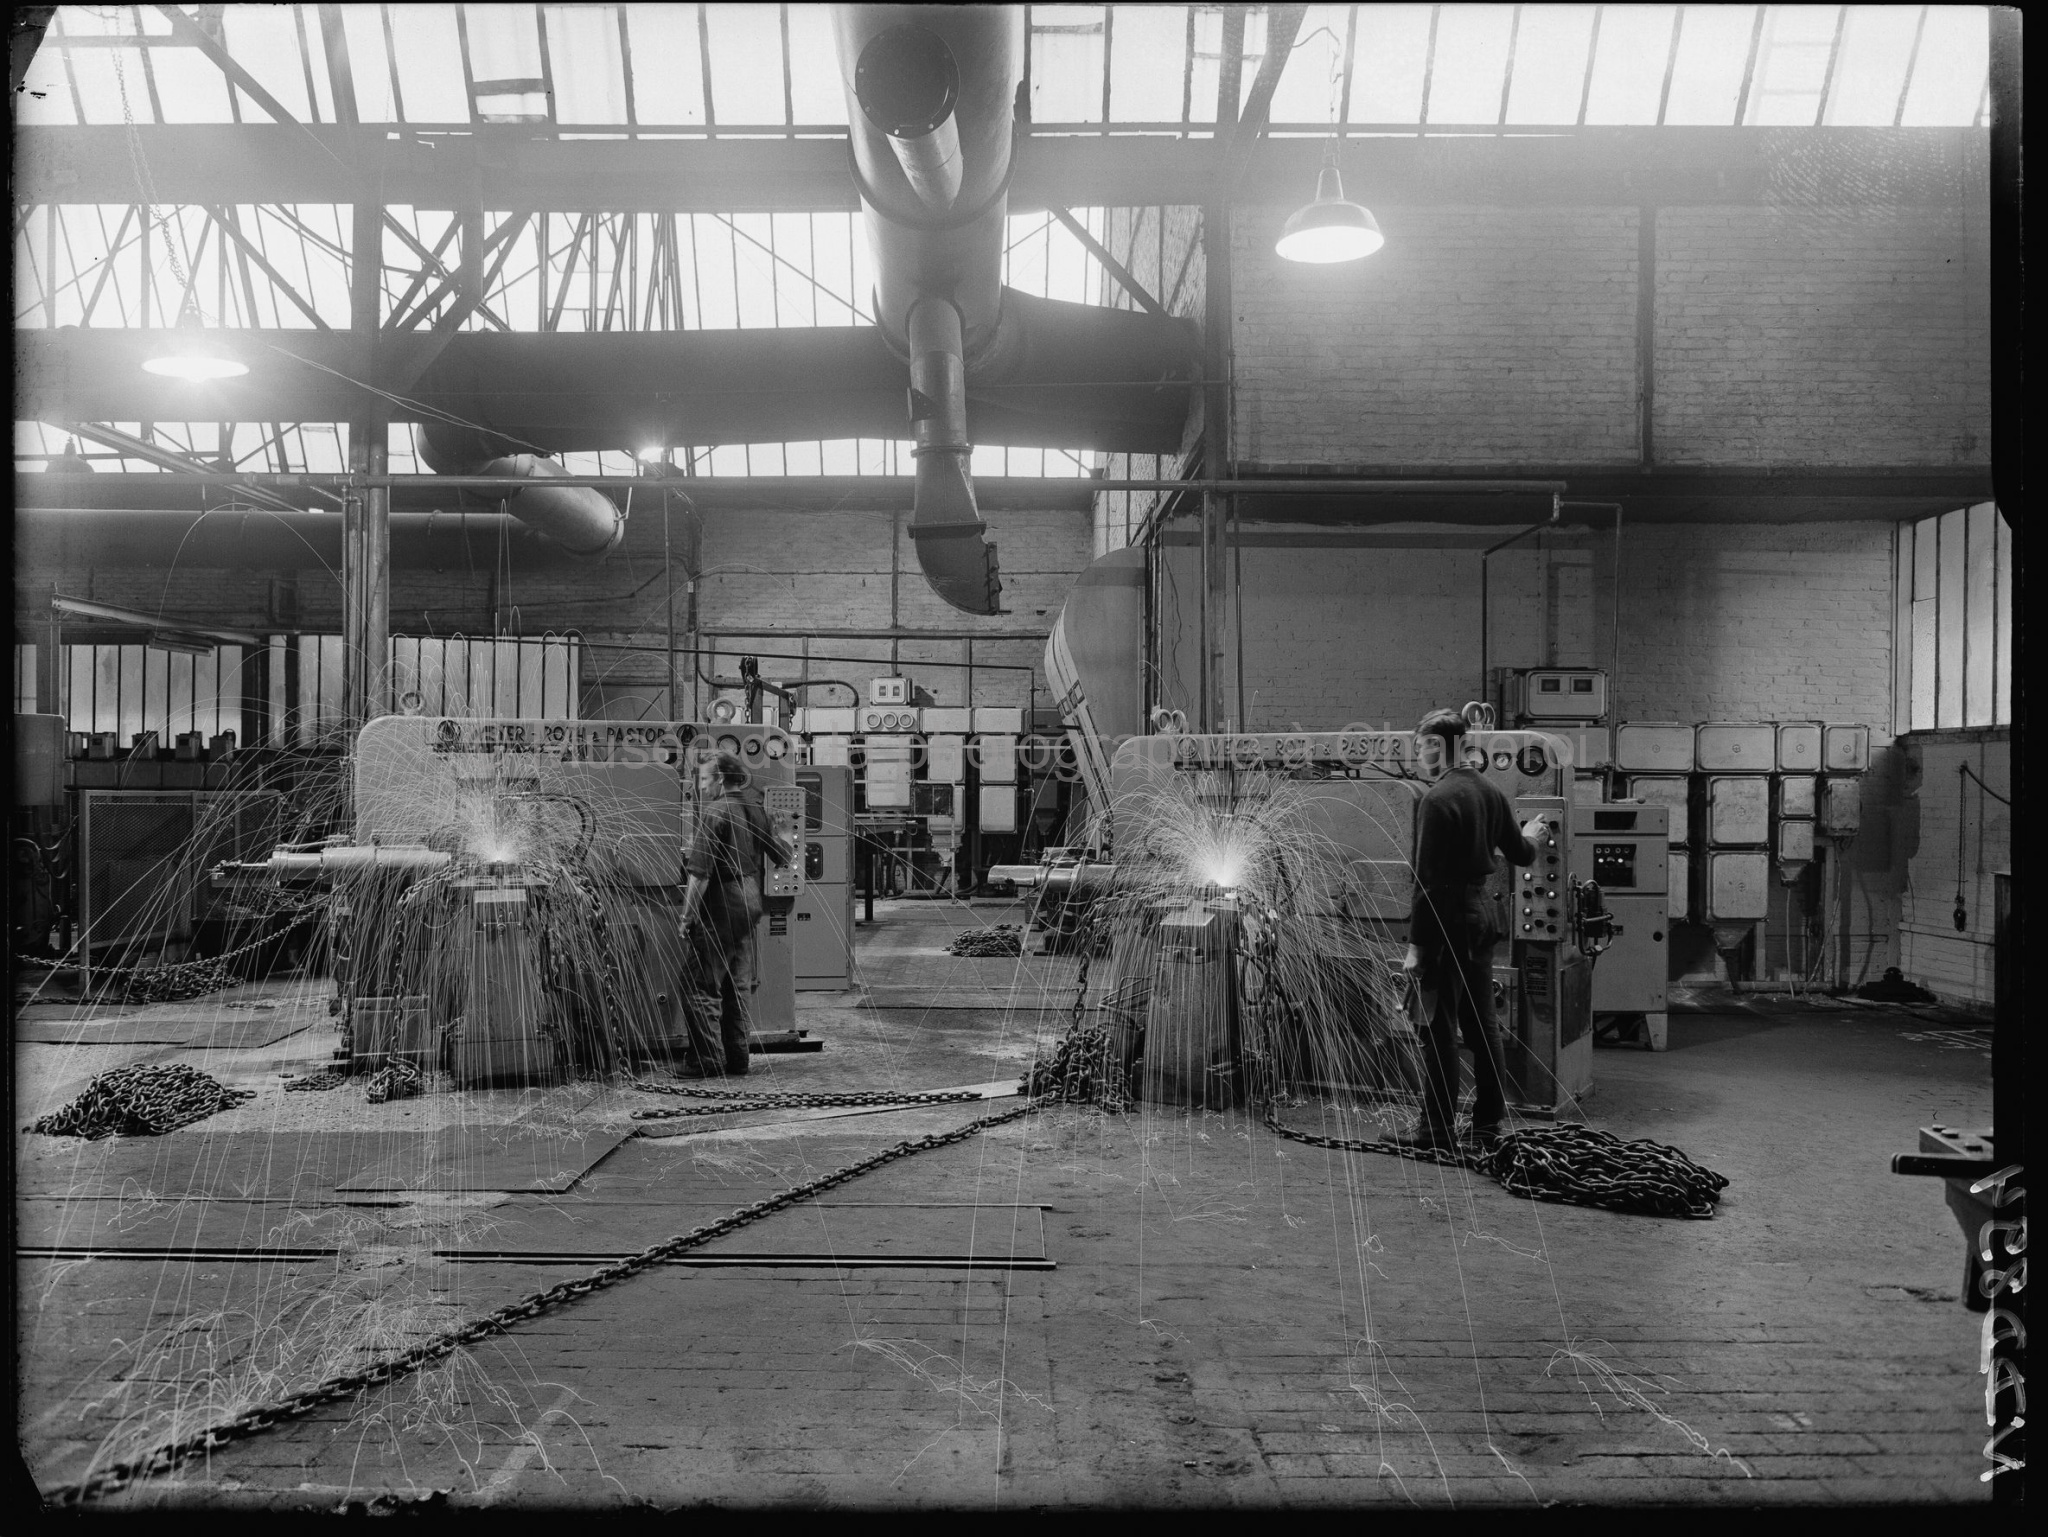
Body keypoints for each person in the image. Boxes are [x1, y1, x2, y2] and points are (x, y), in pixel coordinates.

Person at [1398, 708, 1546, 1152]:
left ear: (1442, 747)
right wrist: (1534, 833)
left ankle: (1436, 1132)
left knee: (1437, 1029)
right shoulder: (1490, 792)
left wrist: (1417, 948)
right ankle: (1486, 1128)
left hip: (1448, 920)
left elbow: (1427, 885)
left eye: (1423, 744)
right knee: (1483, 1027)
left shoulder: (1437, 800)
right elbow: (1522, 854)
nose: (1419, 753)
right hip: (1482, 915)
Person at [677, 750, 790, 1077]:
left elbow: (700, 874)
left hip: (721, 904)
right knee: (736, 987)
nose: (701, 788)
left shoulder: (715, 811)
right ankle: (738, 1059)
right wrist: (780, 826)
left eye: (703, 780)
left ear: (721, 779)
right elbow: (784, 855)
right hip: (750, 902)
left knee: (699, 987)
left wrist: (686, 917)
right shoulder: (755, 808)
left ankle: (706, 1061)